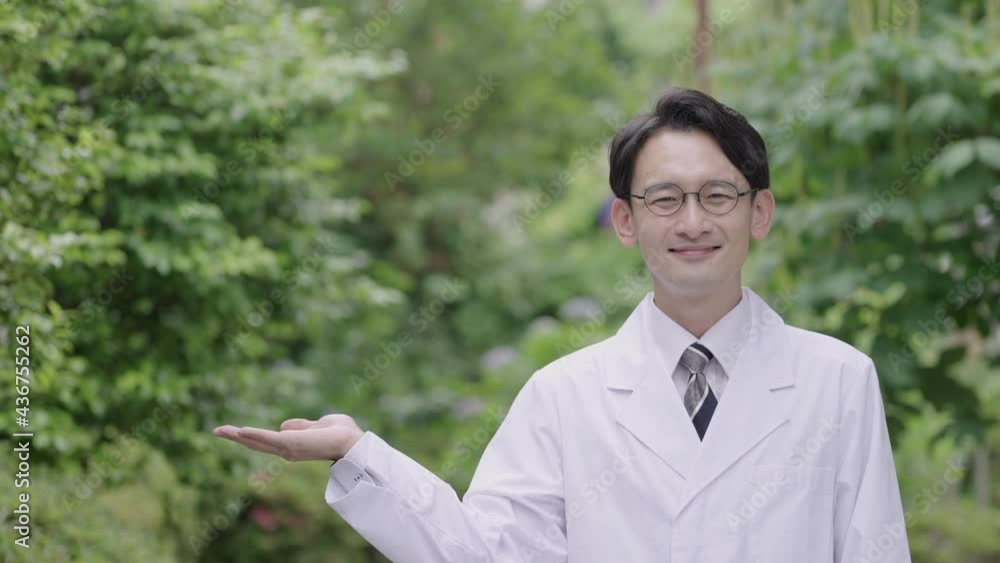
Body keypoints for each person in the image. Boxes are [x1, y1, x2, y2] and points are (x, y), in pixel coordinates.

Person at [213, 87, 912, 562]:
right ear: (626, 220)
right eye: (665, 199)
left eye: (718, 195)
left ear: (760, 211)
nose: (693, 221)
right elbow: (485, 553)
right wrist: (360, 454)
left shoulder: (837, 380)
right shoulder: (564, 395)